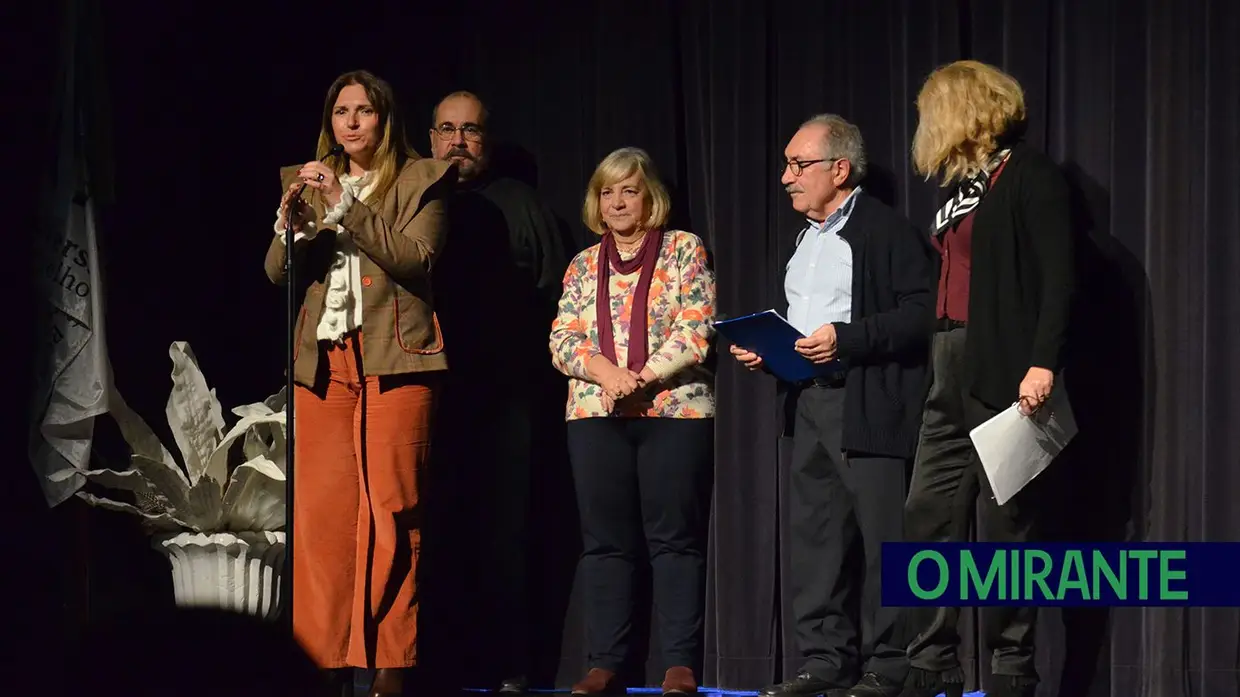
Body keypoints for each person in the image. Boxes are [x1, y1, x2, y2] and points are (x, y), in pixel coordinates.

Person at [264, 69, 456, 697]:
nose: (350, 122)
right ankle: (322, 668)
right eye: (341, 111)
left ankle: (390, 669)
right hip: (323, 368)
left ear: (385, 119)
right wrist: (290, 226)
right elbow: (275, 275)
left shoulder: (422, 178)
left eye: (363, 111)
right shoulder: (307, 180)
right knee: (321, 522)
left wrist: (347, 209)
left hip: (396, 364)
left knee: (390, 516)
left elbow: (415, 260)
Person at [729, 114, 934, 697]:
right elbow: (797, 323)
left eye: (799, 165)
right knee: (817, 539)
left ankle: (889, 666)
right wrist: (768, 353)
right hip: (808, 404)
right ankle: (824, 661)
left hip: (867, 404)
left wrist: (848, 338)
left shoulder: (885, 231)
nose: (787, 177)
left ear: (839, 169)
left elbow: (921, 315)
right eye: (787, 165)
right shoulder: (804, 241)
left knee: (883, 542)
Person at [901, 60, 1077, 697]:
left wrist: (1044, 361)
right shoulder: (962, 187)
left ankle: (1010, 668)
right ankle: (931, 661)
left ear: (964, 109)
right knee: (927, 512)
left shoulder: (1031, 175)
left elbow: (1060, 277)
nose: (925, 127)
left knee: (1007, 520)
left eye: (932, 112)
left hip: (1003, 359)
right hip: (947, 361)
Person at [549, 147, 716, 696]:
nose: (617, 202)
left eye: (629, 190)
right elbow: (562, 339)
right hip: (595, 413)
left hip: (673, 410)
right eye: (607, 191)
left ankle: (679, 664)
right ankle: (604, 663)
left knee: (674, 540)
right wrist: (605, 373)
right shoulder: (580, 264)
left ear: (650, 198)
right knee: (605, 544)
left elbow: (695, 329)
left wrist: (639, 378)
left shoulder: (683, 250)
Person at [426, 90, 572, 694]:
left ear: (489, 139)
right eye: (447, 129)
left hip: (507, 399)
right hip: (427, 396)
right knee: (433, 530)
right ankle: (436, 660)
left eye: (471, 130)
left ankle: (509, 665)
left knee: (504, 534)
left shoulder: (523, 205)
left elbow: (555, 299)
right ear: (430, 136)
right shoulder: (413, 202)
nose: (458, 140)